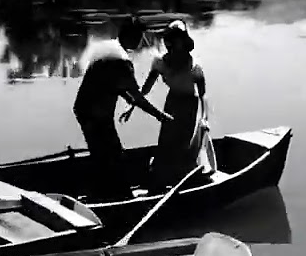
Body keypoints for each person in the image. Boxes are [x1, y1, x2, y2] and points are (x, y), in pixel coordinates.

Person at [73, 17, 172, 200]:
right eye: (139, 36)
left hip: (83, 108)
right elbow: (138, 97)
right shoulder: (122, 61)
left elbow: (113, 84)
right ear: (131, 36)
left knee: (101, 152)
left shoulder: (108, 47)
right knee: (113, 155)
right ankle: (119, 197)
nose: (141, 41)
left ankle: (101, 193)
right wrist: (160, 116)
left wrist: (128, 99)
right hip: (96, 114)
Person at [121, 20, 218, 189]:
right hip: (172, 102)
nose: (173, 44)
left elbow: (203, 96)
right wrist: (132, 107)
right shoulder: (161, 62)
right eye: (171, 40)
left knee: (183, 144)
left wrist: (204, 119)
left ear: (184, 41)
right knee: (166, 142)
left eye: (177, 39)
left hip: (189, 104)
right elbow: (146, 88)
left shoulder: (194, 67)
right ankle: (161, 178)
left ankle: (183, 179)